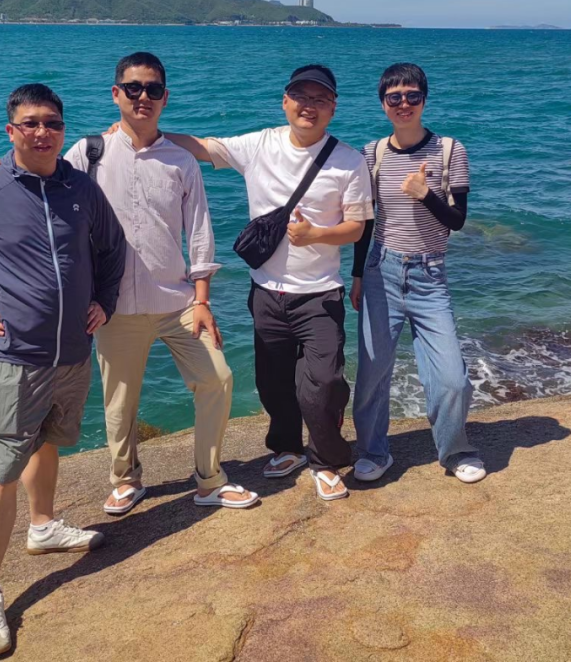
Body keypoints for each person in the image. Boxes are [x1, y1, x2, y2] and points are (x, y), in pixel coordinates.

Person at [0, 84, 126, 658]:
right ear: (11, 131)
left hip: (72, 352)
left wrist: (105, 300)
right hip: (16, 357)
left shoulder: (80, 188)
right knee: (2, 467)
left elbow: (113, 248)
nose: (42, 132)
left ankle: (43, 526)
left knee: (48, 440)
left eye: (52, 123)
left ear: (63, 130)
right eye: (30, 123)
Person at [167, 65, 373, 502]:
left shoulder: (349, 161)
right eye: (301, 97)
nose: (309, 106)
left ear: (333, 108)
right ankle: (287, 447)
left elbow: (357, 227)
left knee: (323, 382)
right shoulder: (260, 144)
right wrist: (146, 133)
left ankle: (326, 460)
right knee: (273, 382)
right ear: (285, 102)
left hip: (320, 293)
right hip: (266, 291)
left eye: (320, 99)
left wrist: (316, 235)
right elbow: (203, 147)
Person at [66, 52, 258, 513]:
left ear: (165, 97)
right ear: (116, 94)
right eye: (133, 88)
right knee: (119, 402)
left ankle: (209, 480)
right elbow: (43, 189)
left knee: (217, 379)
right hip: (113, 304)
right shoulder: (88, 154)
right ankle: (125, 479)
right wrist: (1, 168)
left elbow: (199, 233)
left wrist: (203, 299)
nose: (143, 97)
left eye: (153, 89)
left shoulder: (181, 161)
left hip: (178, 301)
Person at [349, 63, 484, 485]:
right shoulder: (372, 154)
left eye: (413, 96)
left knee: (452, 378)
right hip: (381, 271)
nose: (404, 104)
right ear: (383, 103)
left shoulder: (449, 150)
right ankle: (374, 451)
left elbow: (457, 221)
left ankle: (455, 450)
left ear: (424, 100)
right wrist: (357, 275)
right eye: (395, 97)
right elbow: (366, 221)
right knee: (372, 374)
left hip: (429, 273)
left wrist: (425, 194)